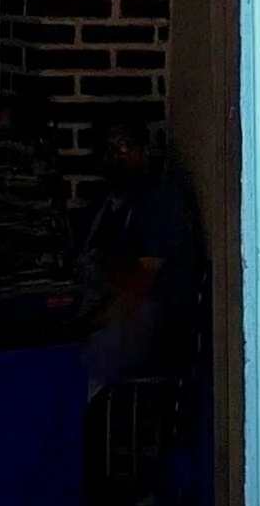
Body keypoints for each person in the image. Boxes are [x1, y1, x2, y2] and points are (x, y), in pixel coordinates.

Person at [77, 110, 205, 395]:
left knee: (71, 369)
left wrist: (84, 326)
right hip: (108, 321)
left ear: (145, 152)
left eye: (124, 146)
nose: (115, 155)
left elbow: (138, 289)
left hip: (153, 335)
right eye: (105, 148)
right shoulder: (100, 206)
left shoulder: (161, 202)